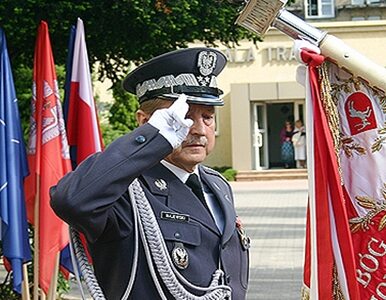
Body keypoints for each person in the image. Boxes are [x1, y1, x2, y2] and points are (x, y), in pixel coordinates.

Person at [50, 48, 250, 300]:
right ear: (146, 122)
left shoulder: (217, 185)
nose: (198, 129)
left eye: (208, 117)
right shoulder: (125, 192)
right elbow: (71, 201)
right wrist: (150, 140)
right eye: (185, 117)